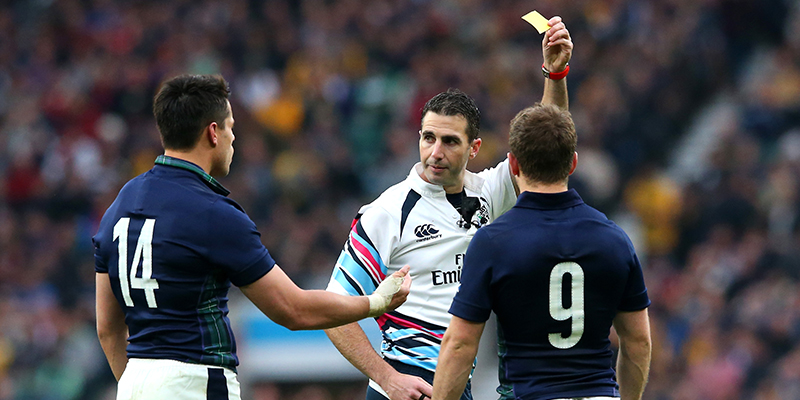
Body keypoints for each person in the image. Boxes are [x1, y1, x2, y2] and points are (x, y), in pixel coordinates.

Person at [93, 74, 411, 400]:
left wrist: (140, 385)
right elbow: (292, 309)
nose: (234, 138)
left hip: (133, 383)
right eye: (231, 127)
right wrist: (374, 303)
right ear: (213, 132)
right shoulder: (213, 212)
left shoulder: (119, 205)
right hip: (195, 382)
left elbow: (108, 328)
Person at [323, 17, 573, 400]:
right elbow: (334, 311)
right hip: (408, 384)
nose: (435, 153)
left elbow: (547, 143)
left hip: (456, 383)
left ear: (474, 148)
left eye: (450, 142)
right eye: (428, 138)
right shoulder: (388, 210)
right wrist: (387, 378)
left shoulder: (488, 191)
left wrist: (555, 76)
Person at [431, 104, 652, 400]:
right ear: (572, 164)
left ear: (513, 165)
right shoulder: (615, 239)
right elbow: (638, 342)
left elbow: (459, 344)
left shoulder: (493, 241)